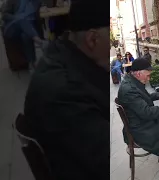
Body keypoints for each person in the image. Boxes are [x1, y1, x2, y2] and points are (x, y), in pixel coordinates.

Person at [23, 1, 110, 180]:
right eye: (112, 40)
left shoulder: (61, 51)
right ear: (92, 39)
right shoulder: (65, 91)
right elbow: (110, 161)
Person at [1, 0, 45, 70]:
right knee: (21, 20)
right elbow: (4, 15)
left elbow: (46, 6)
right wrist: (16, 18)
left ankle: (32, 62)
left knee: (26, 35)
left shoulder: (36, 1)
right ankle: (40, 42)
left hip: (30, 26)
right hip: (14, 25)